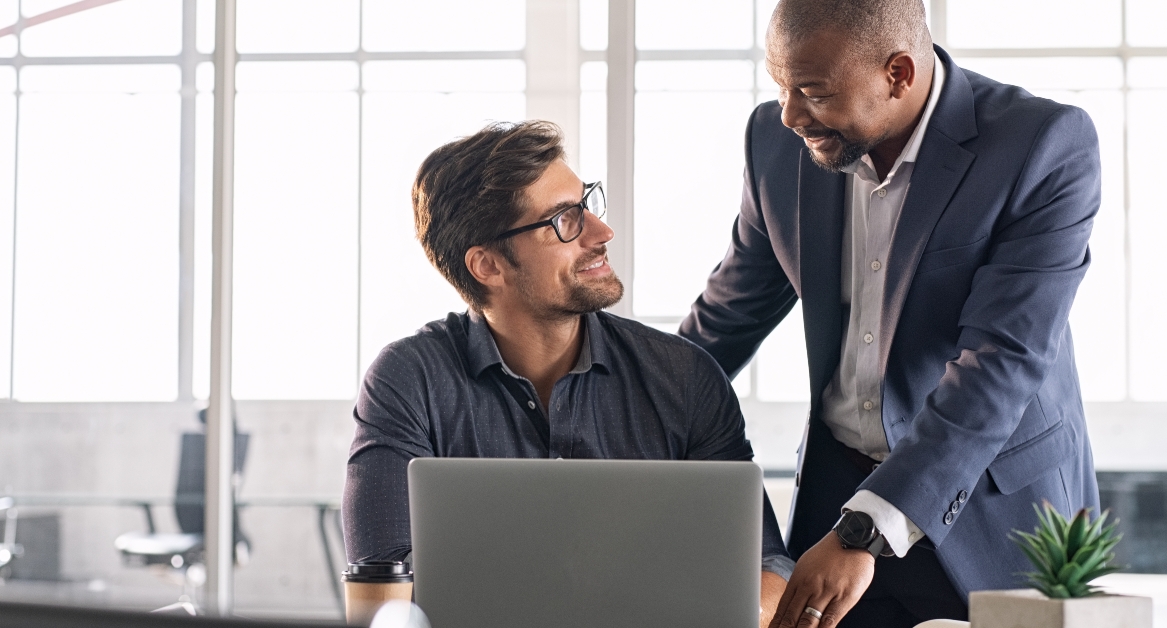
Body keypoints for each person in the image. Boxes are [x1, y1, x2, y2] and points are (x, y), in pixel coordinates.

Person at [678, 1, 1102, 627]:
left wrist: (865, 531)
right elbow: (724, 318)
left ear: (898, 73)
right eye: (780, 86)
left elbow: (1002, 361)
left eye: (812, 92)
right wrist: (612, 401)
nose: (790, 114)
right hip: (834, 497)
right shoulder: (775, 141)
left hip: (993, 509)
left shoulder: (1041, 145)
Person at [342, 120, 796, 623]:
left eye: (588, 204)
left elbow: (764, 564)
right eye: (564, 220)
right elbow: (382, 587)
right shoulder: (407, 381)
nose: (602, 233)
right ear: (487, 265)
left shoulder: (686, 377)